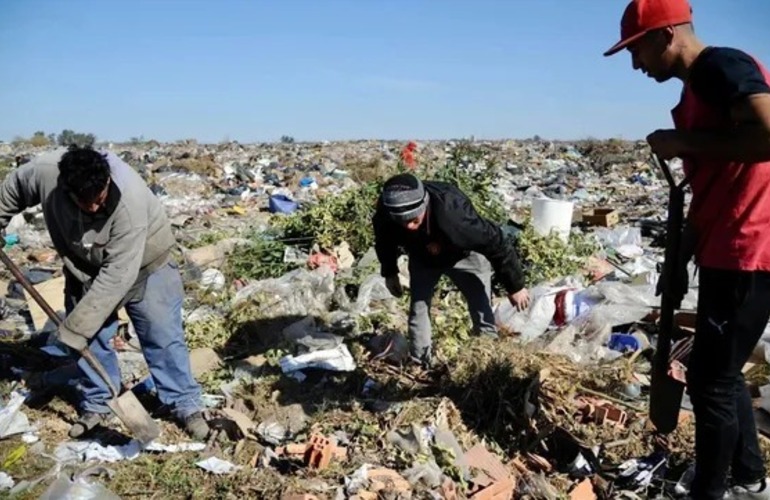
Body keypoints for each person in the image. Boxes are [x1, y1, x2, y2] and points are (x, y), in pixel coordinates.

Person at [604, 0, 770, 498]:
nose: (636, 65)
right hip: (724, 248)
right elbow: (711, 188)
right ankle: (747, 478)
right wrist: (679, 260)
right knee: (719, 372)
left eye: (637, 50)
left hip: (751, 247)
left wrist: (685, 142)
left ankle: (711, 491)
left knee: (709, 382)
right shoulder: (697, 94)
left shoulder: (722, 67)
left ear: (666, 35)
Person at [0, 145, 209, 440]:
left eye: (99, 200)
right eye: (87, 204)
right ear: (66, 190)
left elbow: (117, 276)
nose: (96, 209)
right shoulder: (45, 173)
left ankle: (185, 404)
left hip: (147, 266)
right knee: (92, 342)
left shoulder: (129, 203)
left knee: (162, 337)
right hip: (83, 266)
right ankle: (99, 402)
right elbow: (13, 188)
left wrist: (77, 327)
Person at [372, 173, 530, 368]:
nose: (409, 227)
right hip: (423, 258)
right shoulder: (387, 210)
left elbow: (496, 242)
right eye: (402, 222)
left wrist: (515, 286)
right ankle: (421, 363)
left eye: (414, 220)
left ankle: (487, 361)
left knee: (481, 309)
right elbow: (384, 240)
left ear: (425, 205)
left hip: (464, 257)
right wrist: (390, 272)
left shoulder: (454, 214)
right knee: (418, 310)